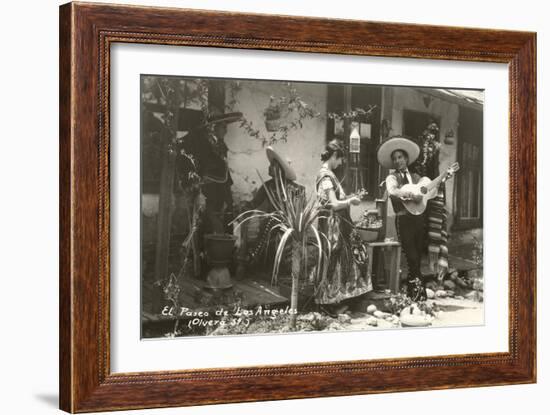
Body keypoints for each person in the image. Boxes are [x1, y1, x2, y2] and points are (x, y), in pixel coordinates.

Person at [315, 139, 372, 311]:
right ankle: (327, 302)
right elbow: (333, 204)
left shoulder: (329, 175)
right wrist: (350, 202)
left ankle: (341, 298)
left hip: (338, 224)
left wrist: (348, 199)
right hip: (332, 225)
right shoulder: (326, 176)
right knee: (332, 261)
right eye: (339, 159)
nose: (340, 163)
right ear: (333, 156)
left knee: (346, 258)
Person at [236, 147, 304, 277]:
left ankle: (259, 263)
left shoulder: (294, 189)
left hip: (287, 227)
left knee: (271, 229)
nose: (269, 168)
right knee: (266, 227)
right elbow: (254, 203)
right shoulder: (268, 186)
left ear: (279, 169)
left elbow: (299, 213)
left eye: (272, 166)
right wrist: (243, 210)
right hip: (270, 224)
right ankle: (249, 261)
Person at [377, 136, 427, 301]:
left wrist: (428, 190)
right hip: (403, 220)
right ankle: (417, 294)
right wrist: (408, 193)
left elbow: (426, 190)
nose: (397, 161)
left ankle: (414, 295)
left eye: (400, 157)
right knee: (411, 256)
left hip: (419, 220)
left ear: (406, 159)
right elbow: (392, 191)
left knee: (418, 257)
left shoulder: (416, 176)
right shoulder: (392, 178)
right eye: (394, 159)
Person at [183, 110, 243, 234]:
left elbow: (224, 169)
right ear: (213, 128)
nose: (226, 131)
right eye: (223, 127)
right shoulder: (205, 145)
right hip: (209, 188)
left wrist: (228, 191)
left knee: (226, 216)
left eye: (226, 127)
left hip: (222, 187)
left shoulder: (221, 145)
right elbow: (203, 166)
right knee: (209, 220)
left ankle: (223, 247)